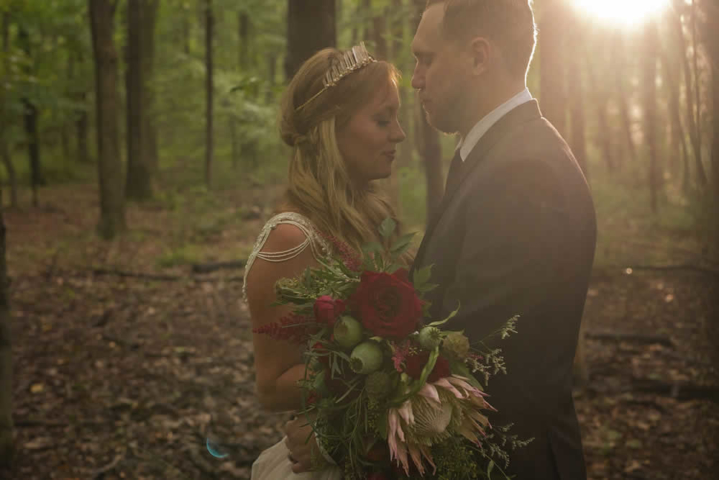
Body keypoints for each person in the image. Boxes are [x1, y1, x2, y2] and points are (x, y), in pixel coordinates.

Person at [287, 1, 596, 479]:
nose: (415, 78)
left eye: (425, 59)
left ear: (478, 57)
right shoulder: (496, 157)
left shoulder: (524, 172)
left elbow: (476, 362)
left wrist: (338, 438)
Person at [244, 43, 408, 480]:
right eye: (382, 119)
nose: (399, 134)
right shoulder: (291, 239)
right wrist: (382, 372)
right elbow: (271, 384)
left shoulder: (376, 219)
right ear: (329, 130)